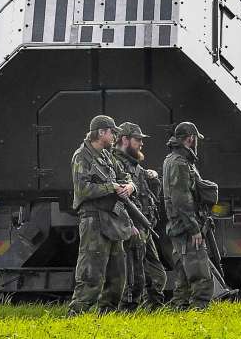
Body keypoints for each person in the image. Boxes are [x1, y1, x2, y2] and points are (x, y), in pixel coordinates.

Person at [68, 114, 136, 316]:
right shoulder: (82, 156)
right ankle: (77, 314)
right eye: (112, 132)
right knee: (91, 271)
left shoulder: (107, 156)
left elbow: (124, 175)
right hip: (93, 220)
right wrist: (111, 187)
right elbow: (82, 190)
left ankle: (108, 313)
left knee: (117, 273)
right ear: (101, 132)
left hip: (112, 220)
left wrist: (130, 186)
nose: (115, 136)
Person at [111, 121, 167, 310]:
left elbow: (150, 196)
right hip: (132, 228)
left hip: (145, 227)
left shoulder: (136, 166)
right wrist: (128, 225)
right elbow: (116, 200)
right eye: (137, 139)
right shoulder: (116, 164)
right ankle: (127, 311)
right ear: (125, 140)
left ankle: (154, 309)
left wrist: (153, 179)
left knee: (157, 275)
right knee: (133, 277)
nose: (141, 143)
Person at [162, 121, 215, 310]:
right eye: (195, 139)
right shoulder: (180, 163)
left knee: (184, 272)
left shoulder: (172, 160)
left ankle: (180, 307)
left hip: (179, 224)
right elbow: (181, 199)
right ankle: (199, 309)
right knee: (200, 272)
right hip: (186, 226)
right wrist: (194, 229)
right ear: (190, 138)